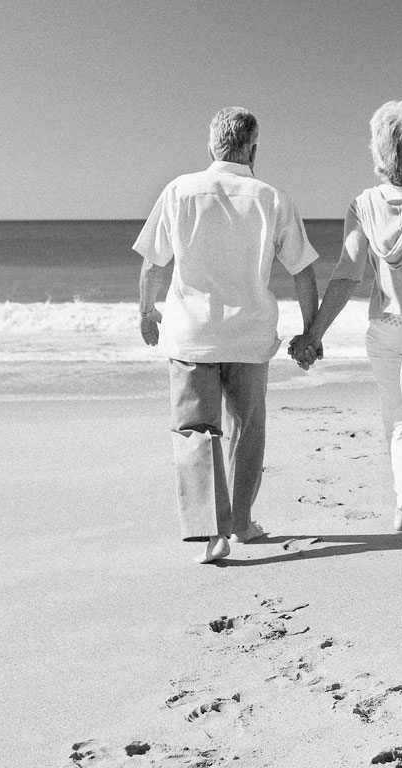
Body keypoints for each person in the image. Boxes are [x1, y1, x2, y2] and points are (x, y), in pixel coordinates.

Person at [135, 106, 319, 563]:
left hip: (191, 334)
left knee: (195, 429)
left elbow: (153, 262)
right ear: (253, 148)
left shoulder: (179, 190)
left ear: (211, 145)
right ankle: (240, 522)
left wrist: (146, 311)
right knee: (247, 428)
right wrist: (310, 331)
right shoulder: (272, 198)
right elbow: (303, 271)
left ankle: (209, 531)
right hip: (249, 335)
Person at [290, 100, 402, 554]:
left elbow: (347, 274)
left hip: (385, 331)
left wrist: (315, 333)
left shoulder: (362, 204)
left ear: (380, 148)